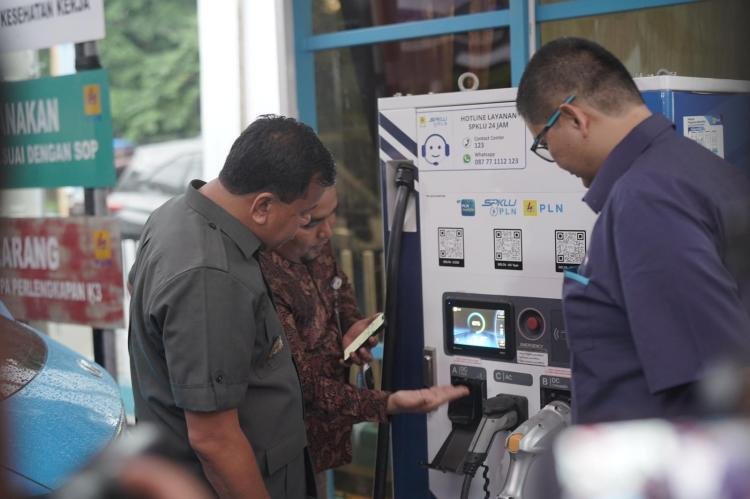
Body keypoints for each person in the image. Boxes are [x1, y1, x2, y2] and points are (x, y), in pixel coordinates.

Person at [515, 37, 750, 424]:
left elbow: (715, 383)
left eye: (543, 141)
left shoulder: (646, 201)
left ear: (574, 118)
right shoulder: (698, 170)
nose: (553, 159)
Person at [128, 115, 336, 498]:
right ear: (262, 206)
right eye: (303, 214)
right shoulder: (211, 276)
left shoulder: (177, 213)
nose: (305, 223)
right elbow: (214, 439)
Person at [258, 186, 468, 496]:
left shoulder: (314, 245)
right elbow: (304, 386)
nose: (327, 231)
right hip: (283, 447)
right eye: (312, 222)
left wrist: (351, 325)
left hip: (321, 442)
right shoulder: (261, 277)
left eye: (333, 215)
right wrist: (389, 402)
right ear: (274, 213)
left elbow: (336, 285)